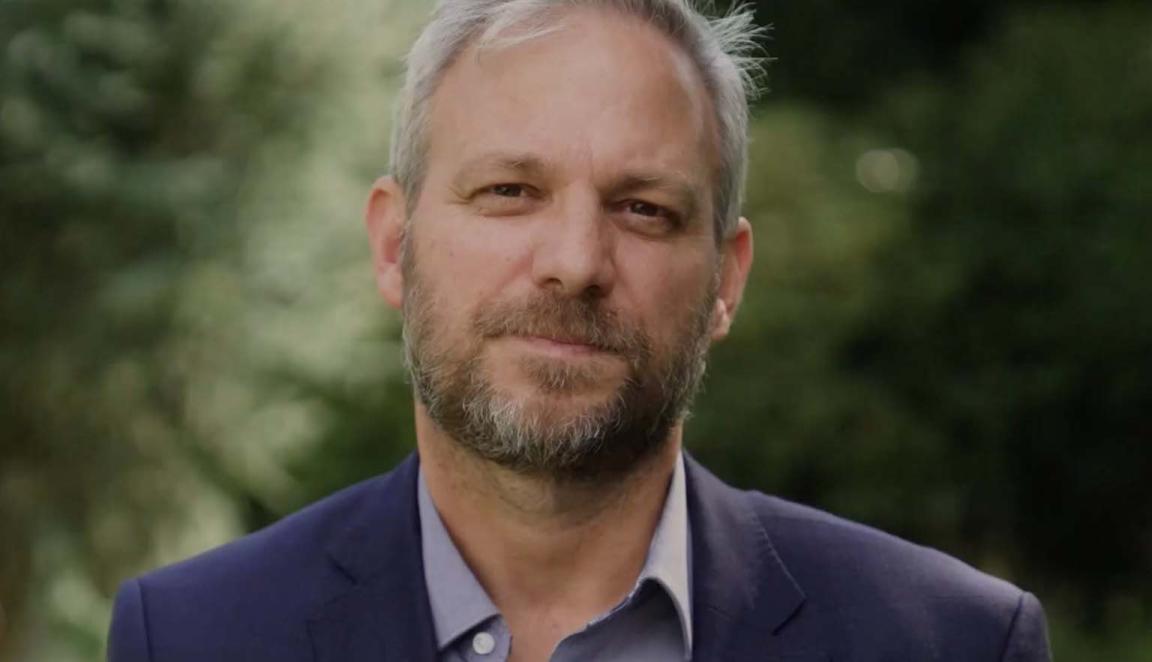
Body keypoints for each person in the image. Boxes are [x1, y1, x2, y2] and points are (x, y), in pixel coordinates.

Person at [107, 1, 1052, 660]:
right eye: (510, 191)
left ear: (726, 279)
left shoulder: (949, 643)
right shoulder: (190, 637)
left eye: (642, 209)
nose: (575, 262)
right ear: (395, 245)